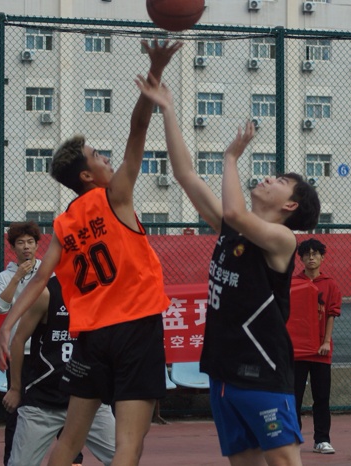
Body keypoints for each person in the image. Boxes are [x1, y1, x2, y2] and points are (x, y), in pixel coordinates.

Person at [0, 40, 181, 466]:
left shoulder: (65, 223)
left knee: (69, 442)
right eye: (98, 155)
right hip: (135, 327)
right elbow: (138, 130)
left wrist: (8, 323)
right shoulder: (116, 196)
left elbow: (40, 278)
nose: (107, 158)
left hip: (92, 337)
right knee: (129, 444)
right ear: (86, 175)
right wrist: (154, 73)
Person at [135, 75, 320, 466]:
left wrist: (231, 158)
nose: (267, 178)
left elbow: (235, 211)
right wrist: (167, 108)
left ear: (290, 206)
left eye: (279, 181)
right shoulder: (231, 228)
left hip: (262, 370)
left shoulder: (282, 240)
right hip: (222, 369)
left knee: (284, 461)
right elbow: (185, 175)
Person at [3, 276, 116, 465]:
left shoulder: (99, 292)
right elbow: (18, 340)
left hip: (88, 400)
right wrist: (15, 388)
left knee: (122, 457)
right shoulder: (46, 293)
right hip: (44, 401)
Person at [0, 221, 57, 465]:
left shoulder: (49, 273)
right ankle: (11, 460)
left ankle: (74, 459)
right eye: (21, 243)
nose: (26, 247)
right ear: (13, 248)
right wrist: (17, 277)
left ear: (38, 245)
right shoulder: (5, 276)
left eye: (30, 242)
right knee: (15, 411)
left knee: (60, 406)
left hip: (47, 354)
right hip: (20, 354)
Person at [291, 238, 342, 454]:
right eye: (307, 254)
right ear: (301, 258)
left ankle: (322, 440)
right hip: (297, 351)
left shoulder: (330, 284)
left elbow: (331, 314)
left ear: (322, 257)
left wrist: (326, 341)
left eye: (315, 254)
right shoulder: (294, 283)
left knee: (321, 397)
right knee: (293, 397)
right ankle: (292, 438)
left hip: (321, 351)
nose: (311, 258)